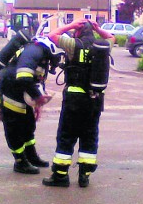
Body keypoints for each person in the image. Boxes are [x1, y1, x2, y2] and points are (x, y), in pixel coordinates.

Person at [43, 19, 115, 188]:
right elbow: (112, 37)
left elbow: (52, 35)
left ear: (78, 32)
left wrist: (71, 25)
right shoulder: (103, 46)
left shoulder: (73, 44)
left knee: (66, 136)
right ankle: (84, 176)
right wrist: (99, 29)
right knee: (89, 135)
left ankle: (60, 176)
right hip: (95, 99)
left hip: (74, 99)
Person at [0, 36, 64, 174]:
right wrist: (38, 97)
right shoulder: (34, 52)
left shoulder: (41, 55)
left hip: (21, 96)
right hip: (10, 96)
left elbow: (36, 80)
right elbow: (24, 77)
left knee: (28, 126)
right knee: (14, 130)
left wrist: (37, 104)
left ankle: (31, 156)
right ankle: (20, 161)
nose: (58, 62)